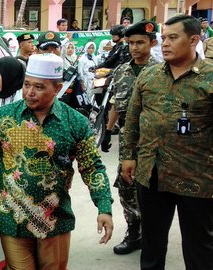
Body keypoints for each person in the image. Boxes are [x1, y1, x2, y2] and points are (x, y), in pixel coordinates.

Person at [0, 53, 113, 270]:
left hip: (54, 218)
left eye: (39, 87)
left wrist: (104, 207)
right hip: (11, 215)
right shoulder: (3, 117)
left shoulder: (75, 123)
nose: (29, 93)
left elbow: (92, 167)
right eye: (26, 85)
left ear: (57, 88)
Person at [121, 15, 213, 269]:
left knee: (200, 247)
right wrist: (128, 155)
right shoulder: (149, 76)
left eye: (173, 37)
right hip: (151, 174)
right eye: (164, 38)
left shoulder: (209, 78)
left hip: (197, 177)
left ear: (194, 40)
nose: (165, 44)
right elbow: (132, 119)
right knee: (152, 245)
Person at [107, 21, 162, 255]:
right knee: (127, 187)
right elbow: (115, 104)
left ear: (153, 42)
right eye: (131, 43)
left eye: (140, 42)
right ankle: (134, 232)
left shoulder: (162, 71)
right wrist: (107, 131)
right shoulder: (122, 71)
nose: (134, 48)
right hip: (129, 144)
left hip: (156, 144)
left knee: (153, 189)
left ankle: (153, 235)